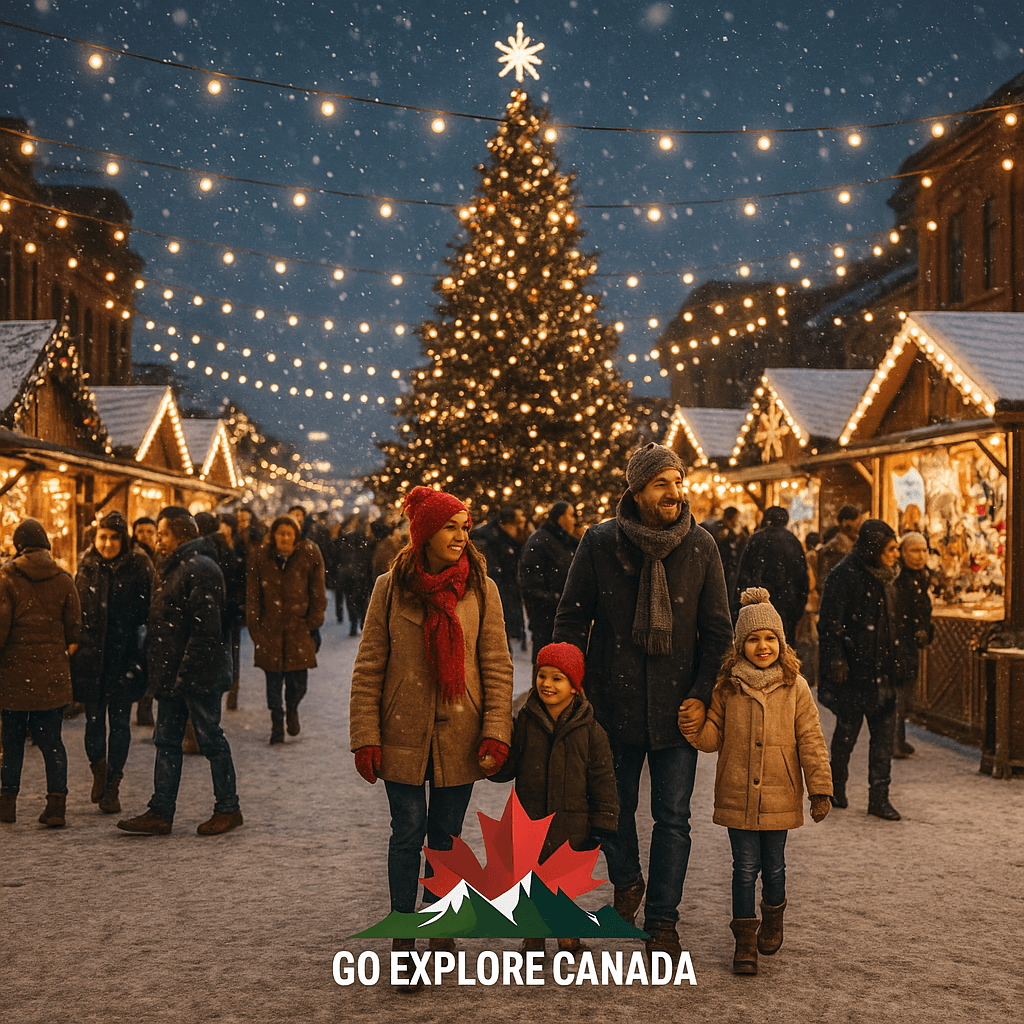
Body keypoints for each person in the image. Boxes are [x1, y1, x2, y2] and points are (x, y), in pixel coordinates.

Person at [552, 442, 734, 956]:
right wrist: (578, 688)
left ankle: (662, 923)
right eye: (662, 484)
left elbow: (718, 632)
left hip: (680, 710)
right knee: (611, 811)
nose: (675, 493)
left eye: (679, 482)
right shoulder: (599, 543)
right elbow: (570, 621)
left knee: (674, 819)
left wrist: (702, 695)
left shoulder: (700, 546)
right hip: (612, 706)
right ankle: (628, 878)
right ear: (636, 491)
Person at [349, 486, 513, 963]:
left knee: (446, 837)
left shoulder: (482, 588)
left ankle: (439, 918)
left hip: (461, 731)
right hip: (399, 731)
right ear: (424, 534)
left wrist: (496, 730)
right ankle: (404, 933)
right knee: (407, 832)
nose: (462, 536)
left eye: (465, 527)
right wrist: (365, 736)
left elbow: (497, 665)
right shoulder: (390, 586)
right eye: (450, 527)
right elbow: (370, 665)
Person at [681, 588, 832, 975]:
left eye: (770, 638)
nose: (762, 646)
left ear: (781, 642)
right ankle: (744, 940)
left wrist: (820, 788)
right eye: (752, 639)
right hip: (737, 791)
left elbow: (811, 739)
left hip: (780, 792)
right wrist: (695, 729)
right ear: (739, 645)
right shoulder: (727, 686)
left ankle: (774, 916)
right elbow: (714, 736)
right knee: (744, 868)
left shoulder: (795, 686)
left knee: (775, 866)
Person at [117, 506, 242, 836]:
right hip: (173, 674)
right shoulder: (174, 567)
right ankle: (161, 810)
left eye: (163, 534)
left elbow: (206, 631)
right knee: (167, 740)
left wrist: (187, 674)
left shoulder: (200, 568)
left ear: (181, 535)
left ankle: (228, 808)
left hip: (196, 675)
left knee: (210, 739)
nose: (157, 540)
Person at [490, 641, 618, 955]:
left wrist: (602, 822)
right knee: (531, 880)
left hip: (571, 819)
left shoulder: (592, 732)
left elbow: (603, 781)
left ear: (575, 687)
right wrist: (493, 761)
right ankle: (533, 937)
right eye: (542, 675)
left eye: (557, 678)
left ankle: (566, 936)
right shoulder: (525, 722)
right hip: (531, 817)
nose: (546, 684)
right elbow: (510, 766)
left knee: (562, 881)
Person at [817, 519, 902, 821]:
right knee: (847, 735)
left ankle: (879, 798)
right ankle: (836, 787)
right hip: (856, 672)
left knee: (883, 740)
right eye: (891, 549)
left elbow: (895, 623)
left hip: (884, 670)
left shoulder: (889, 577)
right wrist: (837, 661)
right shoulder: (844, 576)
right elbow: (829, 625)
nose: (896, 554)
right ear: (874, 549)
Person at [0, 520, 82, 827]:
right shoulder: (64, 579)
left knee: (12, 742)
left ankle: (7, 804)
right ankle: (56, 805)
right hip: (51, 676)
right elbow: (75, 629)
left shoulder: (6, 577)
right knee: (52, 742)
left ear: (19, 545)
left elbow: (1, 630)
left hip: (13, 675)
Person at [71, 512, 153, 814]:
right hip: (92, 659)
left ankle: (113, 786)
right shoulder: (86, 565)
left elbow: (147, 615)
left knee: (119, 724)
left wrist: (140, 657)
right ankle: (99, 771)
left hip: (124, 659)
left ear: (124, 539)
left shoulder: (140, 566)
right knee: (93, 723)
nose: (107, 543)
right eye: (103, 537)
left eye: (114, 537)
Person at [246, 514, 327, 744]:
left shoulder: (309, 554)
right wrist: (256, 628)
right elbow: (253, 596)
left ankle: (292, 708)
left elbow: (318, 591)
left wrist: (313, 622)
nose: (284, 537)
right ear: (273, 536)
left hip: (298, 630)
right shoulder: (260, 557)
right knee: (273, 684)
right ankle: (276, 723)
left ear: (296, 536)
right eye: (280, 533)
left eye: (289, 533)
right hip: (269, 631)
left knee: (298, 682)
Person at [732, 506, 809, 643]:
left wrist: (738, 605)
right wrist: (797, 609)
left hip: (758, 606)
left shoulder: (756, 539)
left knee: (758, 647)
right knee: (783, 647)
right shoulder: (793, 541)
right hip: (786, 606)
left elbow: (743, 575)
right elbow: (802, 579)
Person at [518, 501, 579, 660]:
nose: (574, 521)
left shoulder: (565, 542)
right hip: (547, 621)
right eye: (571, 515)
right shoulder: (541, 541)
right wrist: (557, 601)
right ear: (560, 517)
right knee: (546, 666)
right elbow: (531, 585)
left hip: (562, 619)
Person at [893, 532, 933, 758]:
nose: (921, 556)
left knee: (905, 694)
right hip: (900, 644)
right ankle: (895, 740)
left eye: (924, 550)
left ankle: (899, 738)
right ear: (903, 552)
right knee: (899, 695)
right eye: (915, 551)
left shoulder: (921, 576)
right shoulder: (901, 579)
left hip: (909, 643)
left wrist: (924, 630)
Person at [472, 506, 527, 649]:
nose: (522, 527)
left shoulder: (507, 540)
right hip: (495, 603)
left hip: (506, 599)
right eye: (518, 523)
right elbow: (491, 576)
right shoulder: (486, 539)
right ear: (506, 524)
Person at [816, 506, 862, 586]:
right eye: (857, 523)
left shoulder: (856, 544)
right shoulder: (833, 548)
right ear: (845, 522)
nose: (859, 527)